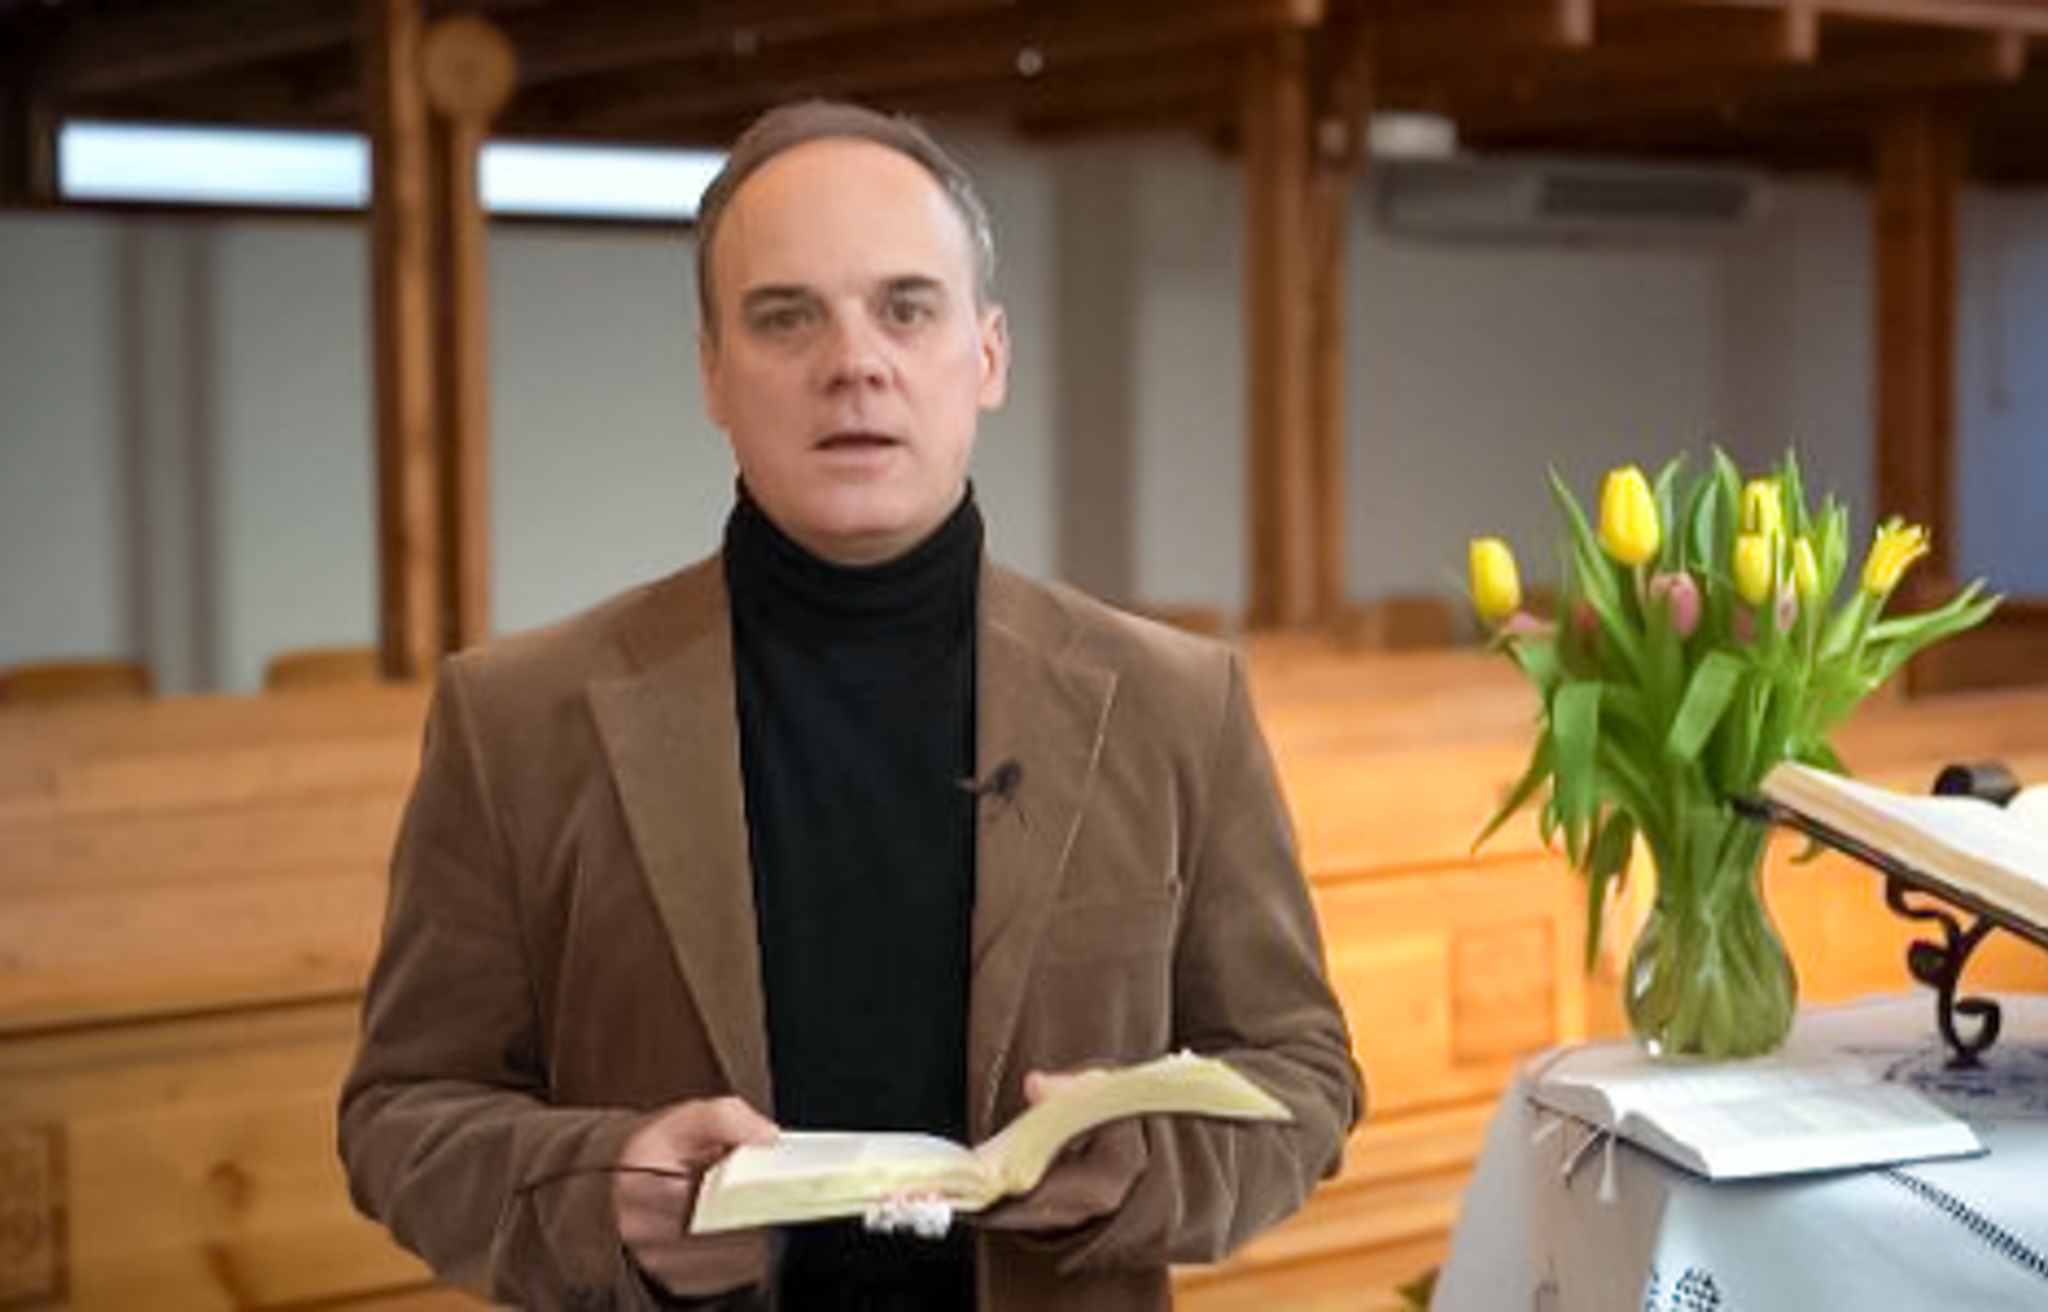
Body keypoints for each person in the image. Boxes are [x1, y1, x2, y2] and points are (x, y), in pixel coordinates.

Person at [338, 98, 1362, 1311]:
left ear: (987, 355)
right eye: (785, 316)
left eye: (905, 307)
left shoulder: (1174, 706)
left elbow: (1302, 1075)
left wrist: (1144, 1166)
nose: (853, 362)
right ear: (712, 372)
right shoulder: (513, 720)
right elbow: (402, 1114)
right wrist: (600, 1193)